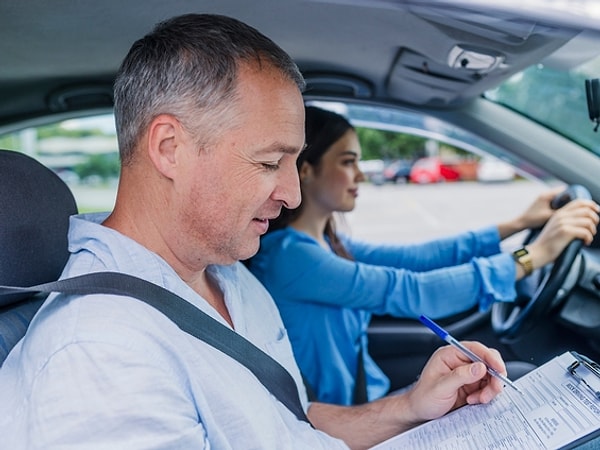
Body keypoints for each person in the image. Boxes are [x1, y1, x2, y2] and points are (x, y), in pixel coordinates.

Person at [0, 13, 577, 450]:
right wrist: (529, 253)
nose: (292, 194)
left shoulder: (225, 276)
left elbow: (290, 424)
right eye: (268, 161)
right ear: (170, 148)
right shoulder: (99, 357)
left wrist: (410, 407)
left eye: (294, 162)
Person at [247, 105, 600, 406]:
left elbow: (417, 258)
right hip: (345, 420)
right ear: (306, 171)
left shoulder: (326, 244)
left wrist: (517, 224)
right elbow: (413, 291)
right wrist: (533, 256)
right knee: (525, 384)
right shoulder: (291, 258)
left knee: (517, 381)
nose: (360, 174)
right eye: (347, 161)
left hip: (367, 396)